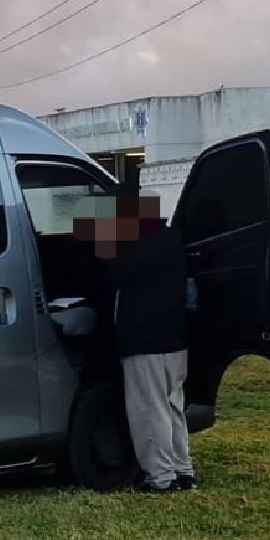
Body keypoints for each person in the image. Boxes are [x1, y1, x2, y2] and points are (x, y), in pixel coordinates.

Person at [77, 194, 194, 493]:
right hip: (176, 340)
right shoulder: (171, 240)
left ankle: (161, 478)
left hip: (145, 342)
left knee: (149, 410)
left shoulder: (133, 246)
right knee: (172, 407)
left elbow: (111, 275)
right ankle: (183, 470)